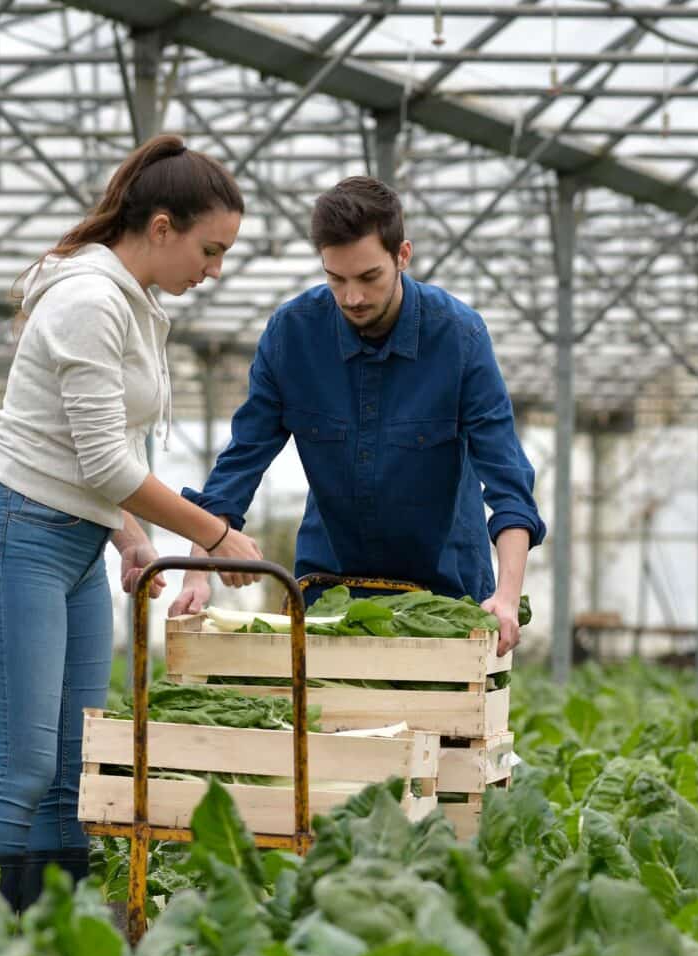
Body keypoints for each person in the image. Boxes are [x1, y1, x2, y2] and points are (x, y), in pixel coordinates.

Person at [0, 135, 263, 911]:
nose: (213, 269)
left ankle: (54, 947)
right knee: (20, 766)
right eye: (209, 249)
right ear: (161, 228)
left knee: (72, 768)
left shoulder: (135, 304)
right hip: (14, 532)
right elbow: (105, 466)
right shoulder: (88, 300)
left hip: (76, 543)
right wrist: (216, 537)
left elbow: (107, 452)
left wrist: (128, 534)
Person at [164, 176, 544, 656]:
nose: (352, 298)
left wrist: (506, 598)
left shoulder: (459, 338)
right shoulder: (293, 335)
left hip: (446, 596)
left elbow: (507, 481)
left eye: (369, 278)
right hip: (332, 588)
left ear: (402, 255)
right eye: (335, 278)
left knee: (443, 728)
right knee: (321, 726)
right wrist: (198, 568)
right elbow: (241, 461)